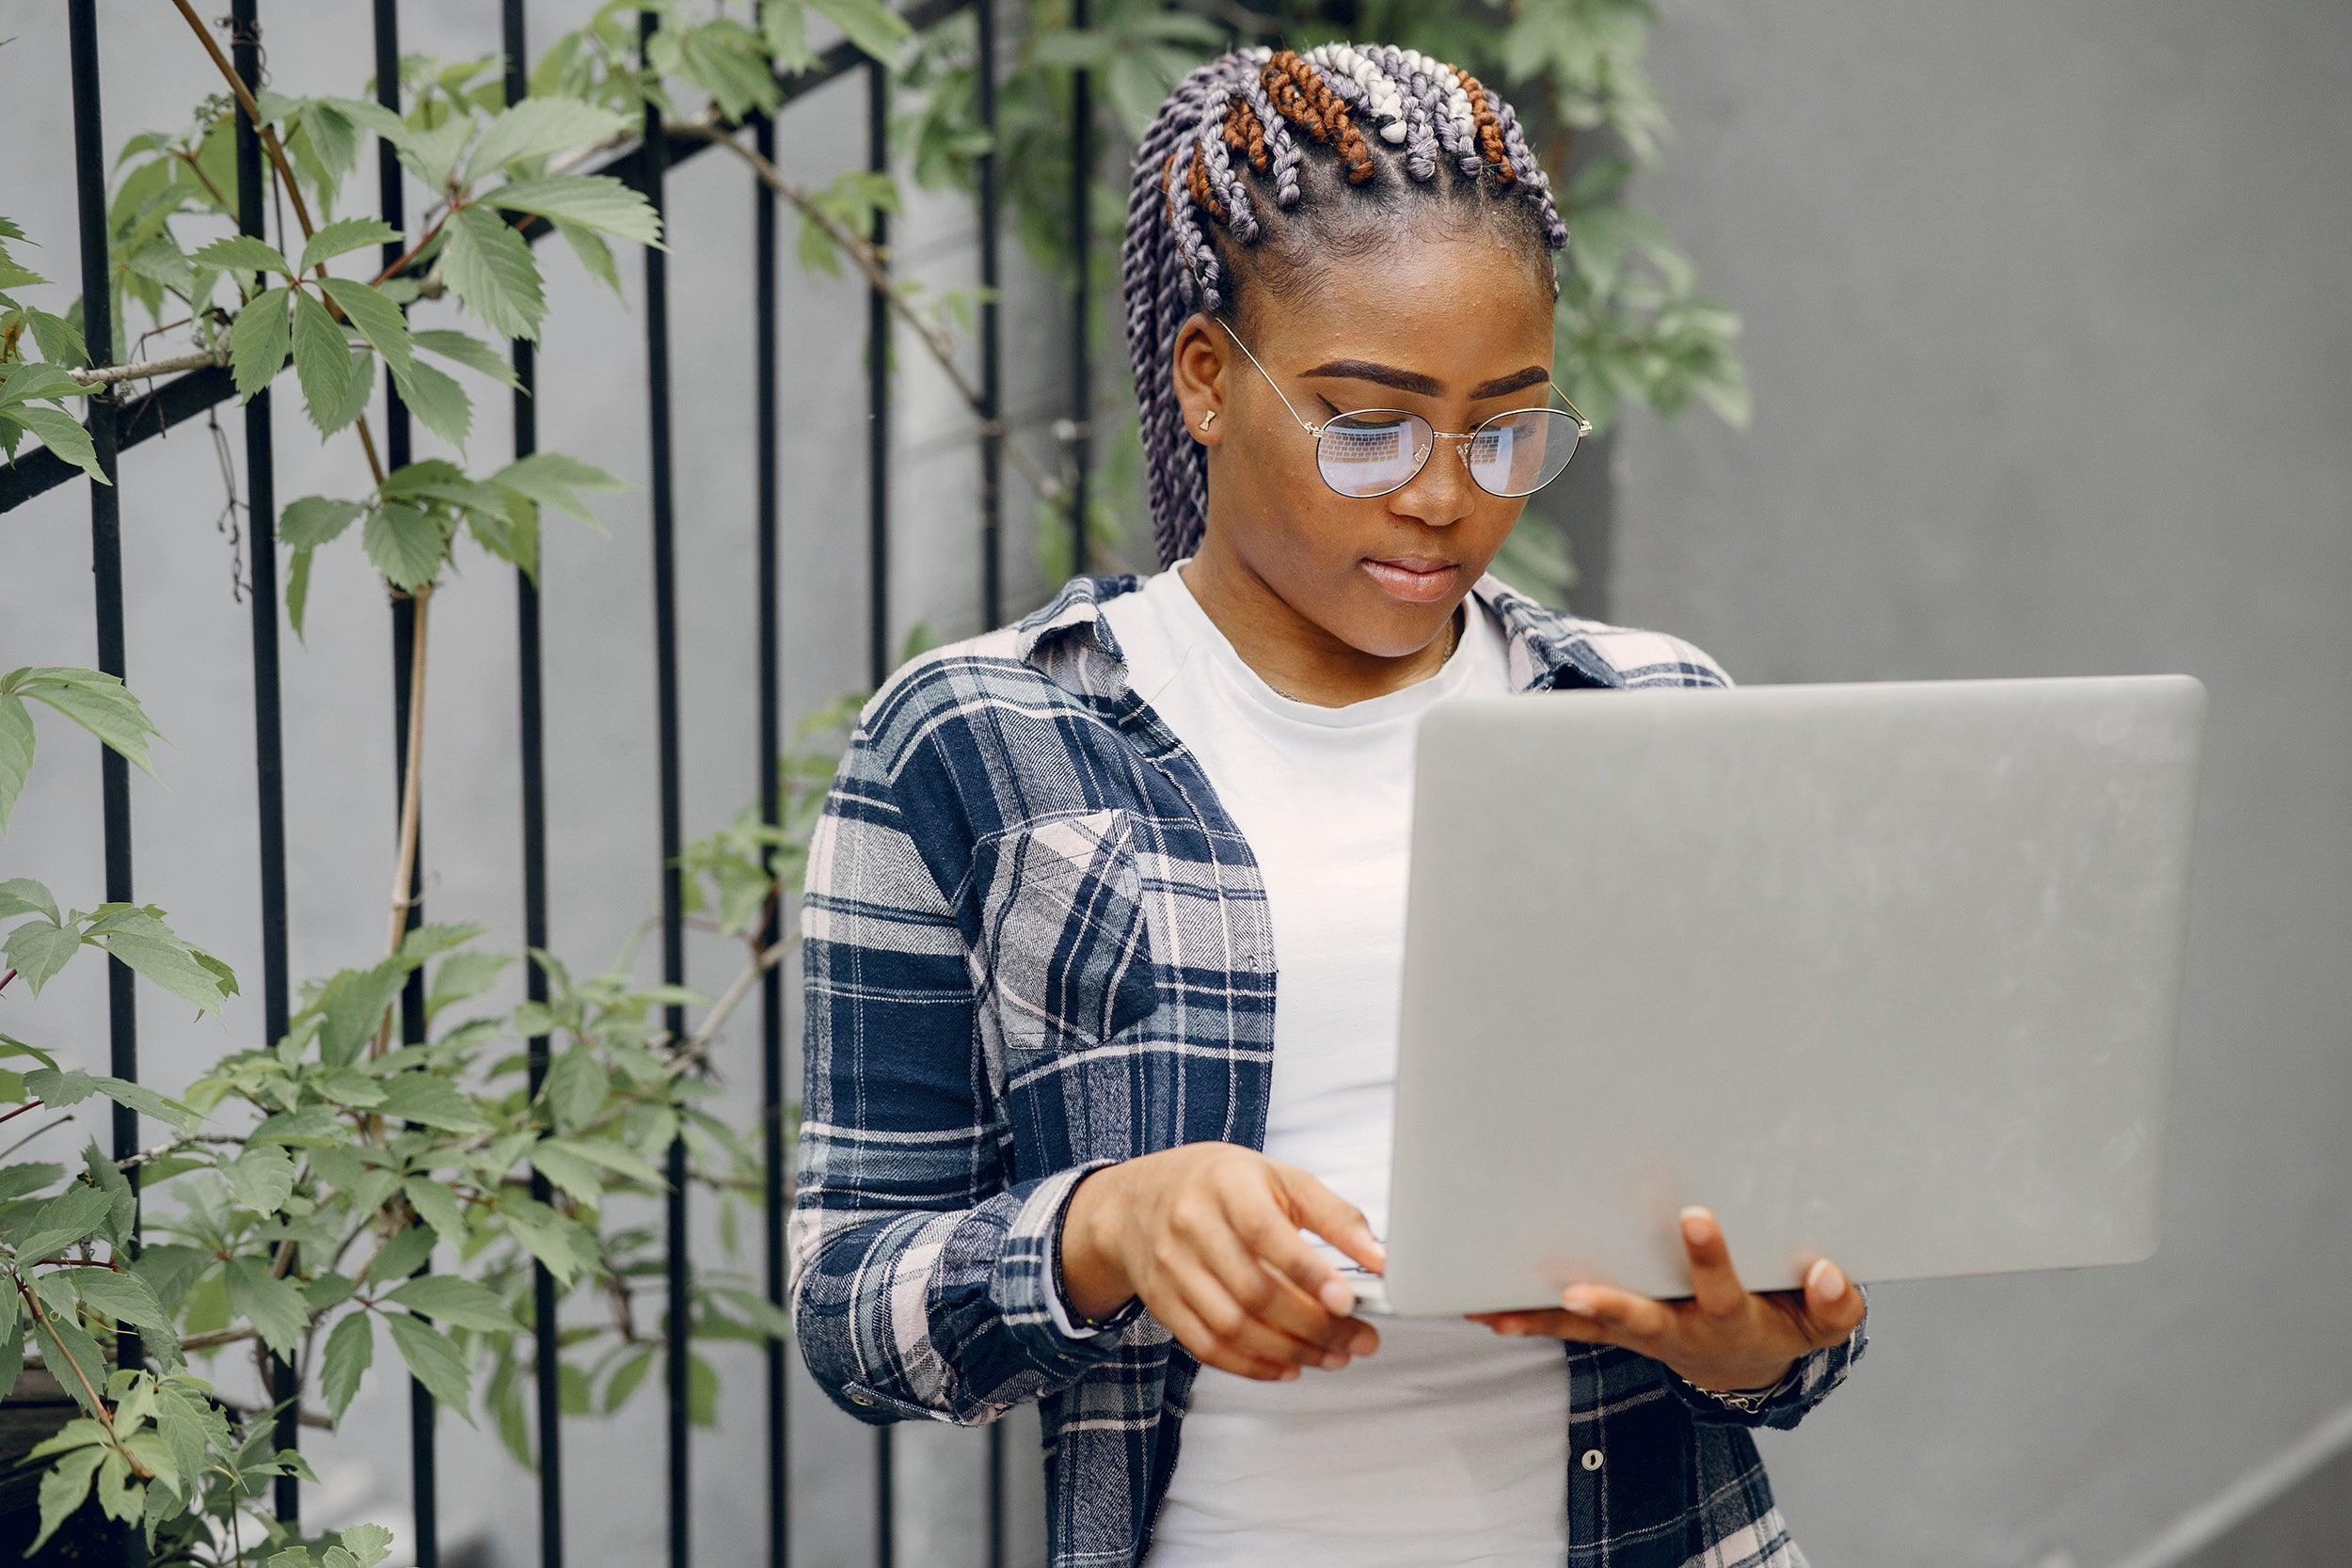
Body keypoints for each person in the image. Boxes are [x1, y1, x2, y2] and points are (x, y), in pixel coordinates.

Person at [789, 40, 1871, 1568]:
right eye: (1369, 423)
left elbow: (1793, 1300)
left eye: (1505, 428)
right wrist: (1109, 1225)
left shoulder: (1655, 720)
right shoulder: (975, 741)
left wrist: (1755, 1342)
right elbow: (851, 1307)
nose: (1444, 493)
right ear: (1210, 379)